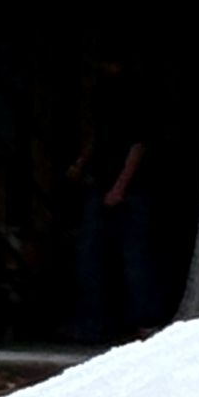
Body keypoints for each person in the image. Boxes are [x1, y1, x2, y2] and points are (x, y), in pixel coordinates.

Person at [68, 57, 162, 344]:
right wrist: (81, 164)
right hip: (100, 184)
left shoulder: (135, 96)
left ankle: (145, 323)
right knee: (90, 257)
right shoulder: (101, 95)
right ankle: (94, 325)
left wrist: (120, 187)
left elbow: (138, 144)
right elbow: (98, 134)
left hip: (131, 189)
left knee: (134, 257)